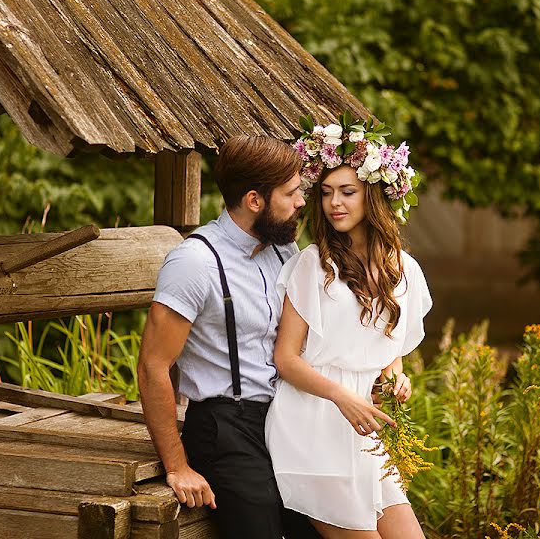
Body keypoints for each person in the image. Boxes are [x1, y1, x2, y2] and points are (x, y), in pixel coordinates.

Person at [137, 135, 319, 539]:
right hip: (223, 426)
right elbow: (153, 365)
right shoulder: (195, 262)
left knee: (320, 524)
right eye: (291, 193)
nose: (301, 202)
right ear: (255, 200)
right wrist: (177, 465)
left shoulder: (284, 253)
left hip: (281, 419)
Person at [265, 122, 432, 538]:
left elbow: (389, 349)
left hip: (364, 430)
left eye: (347, 191)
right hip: (312, 422)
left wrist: (395, 376)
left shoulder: (404, 269)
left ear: (373, 195)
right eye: (325, 193)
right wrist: (342, 396)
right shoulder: (313, 265)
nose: (333, 203)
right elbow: (285, 358)